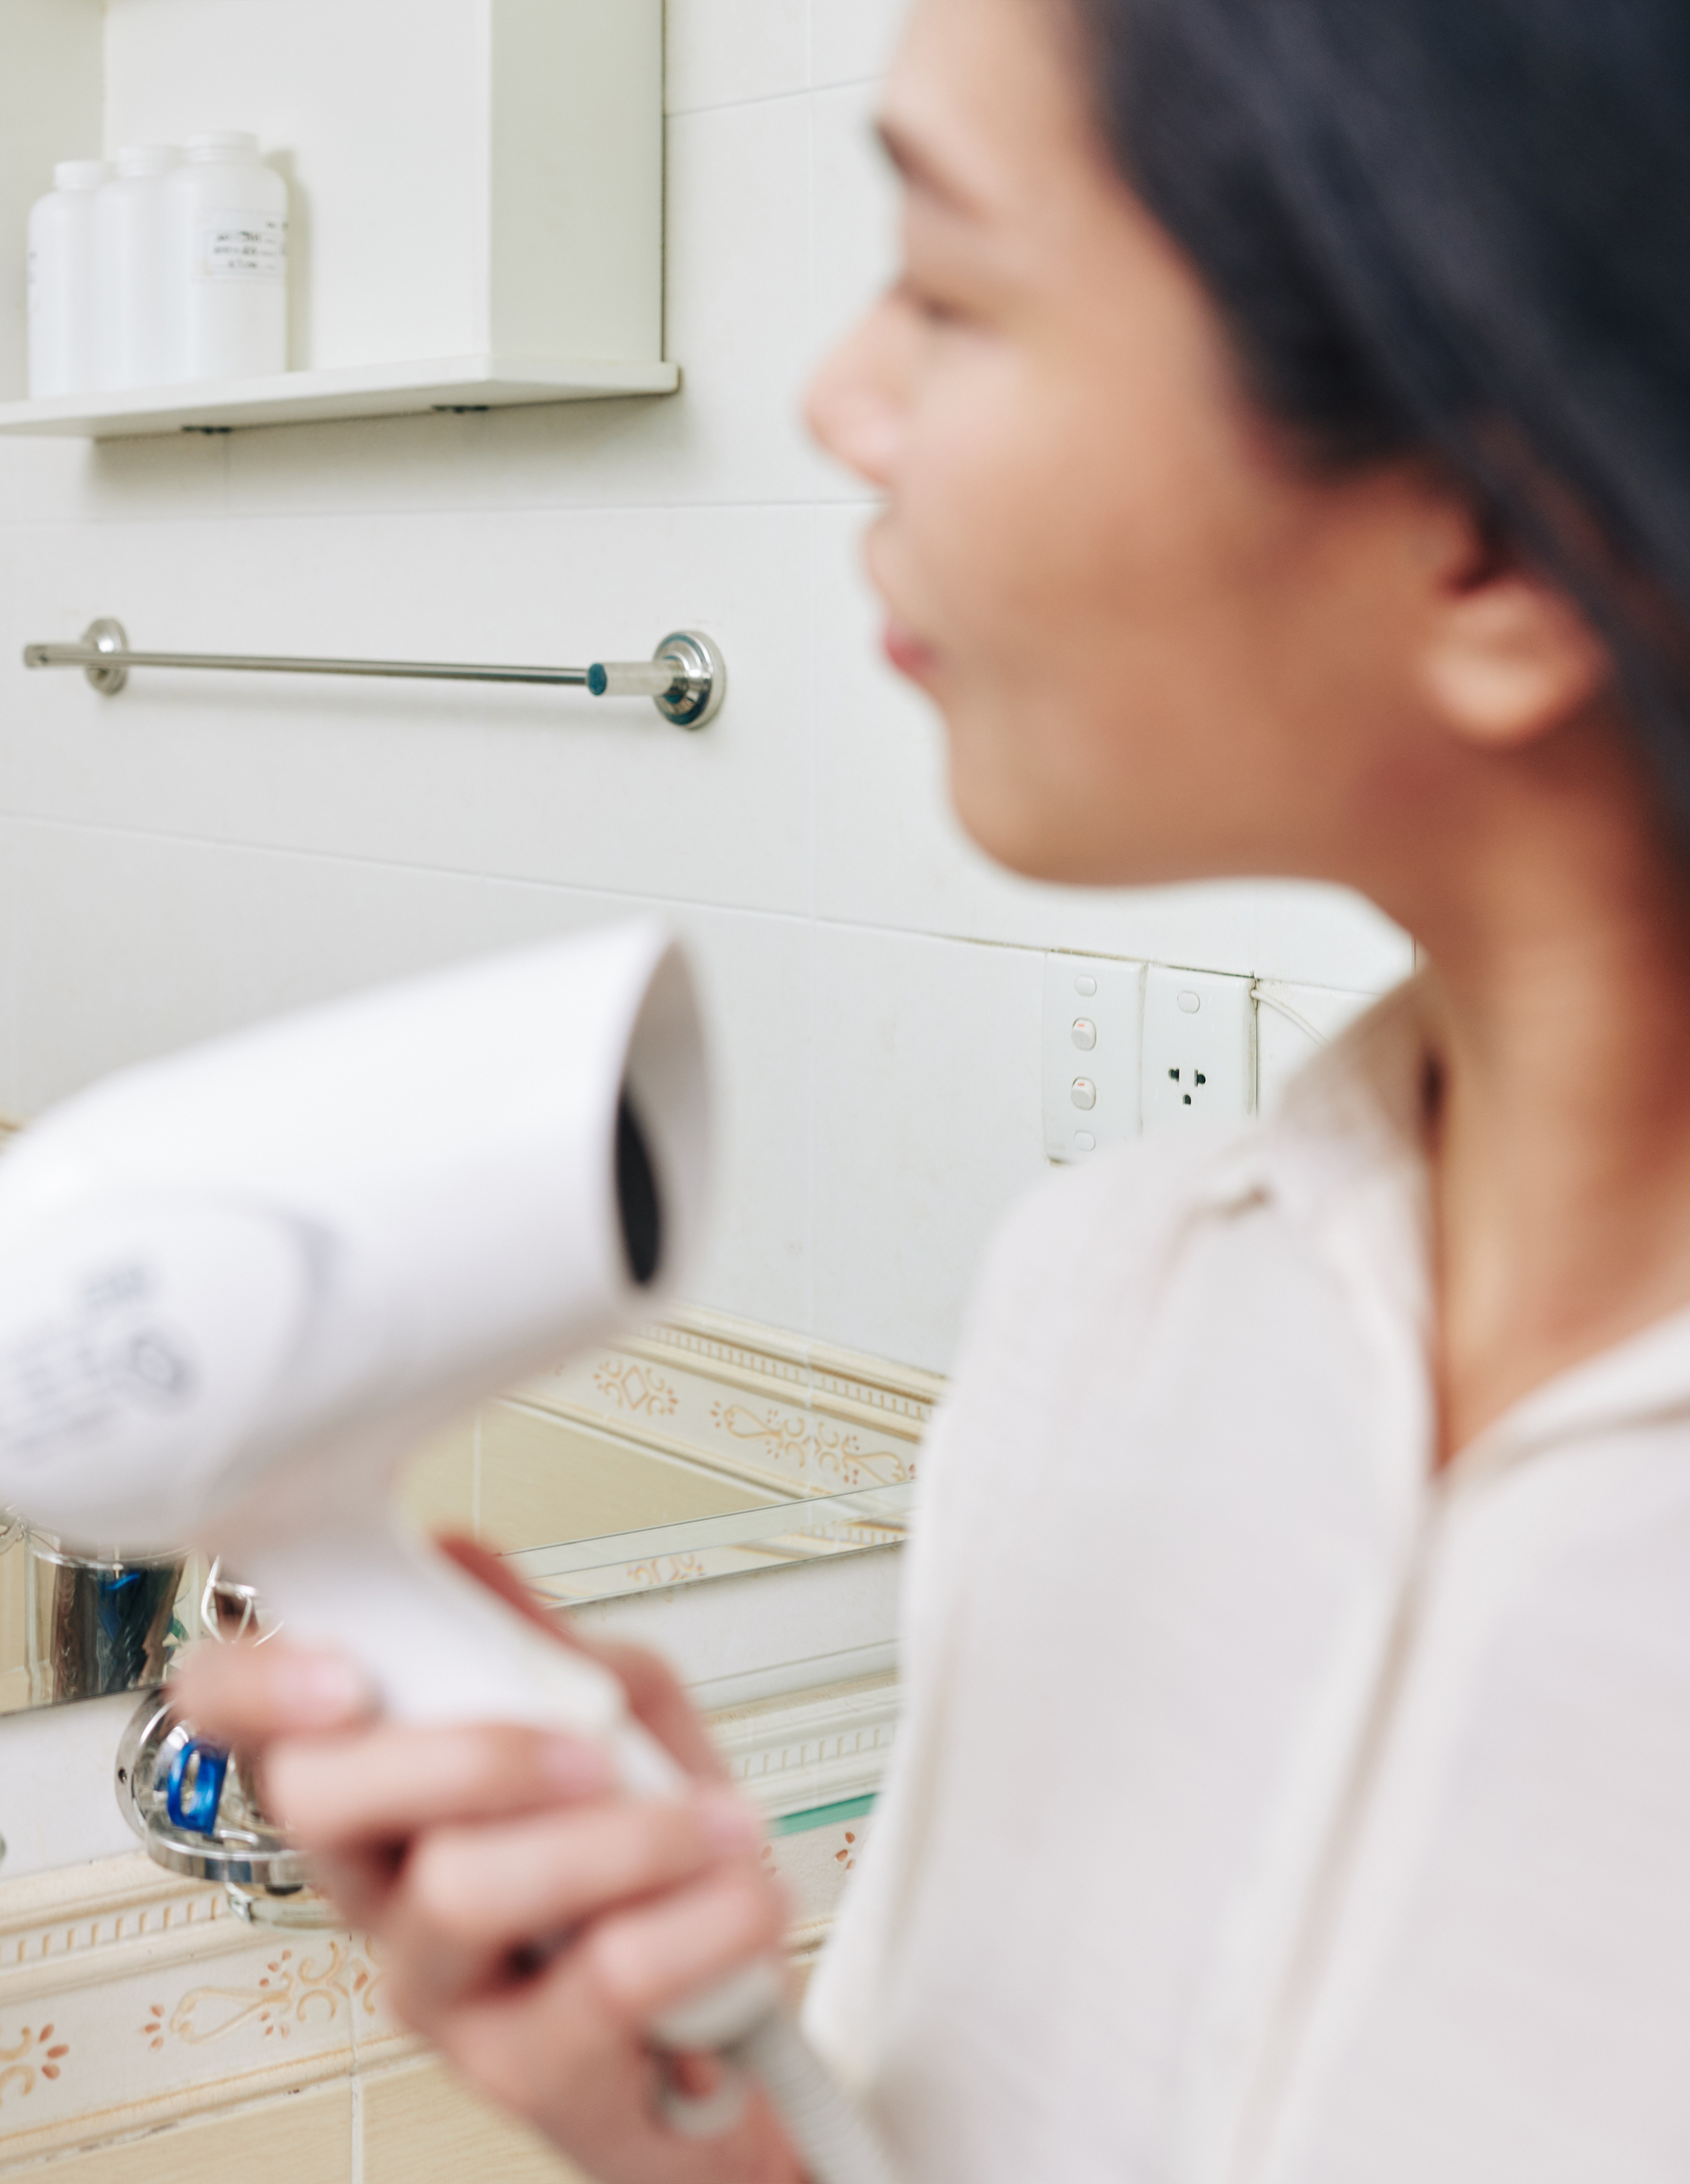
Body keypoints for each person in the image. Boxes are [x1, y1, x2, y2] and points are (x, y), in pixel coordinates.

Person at [176, 0, 1690, 2175]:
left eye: (953, 289)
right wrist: (701, 2111)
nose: (836, 399)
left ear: (1494, 535)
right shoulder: (1114, 1307)